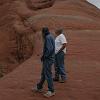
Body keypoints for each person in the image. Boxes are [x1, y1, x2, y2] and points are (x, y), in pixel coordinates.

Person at [33, 27, 55, 97]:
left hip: (48, 59)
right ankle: (39, 87)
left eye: (42, 33)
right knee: (44, 73)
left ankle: (51, 91)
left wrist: (44, 56)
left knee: (48, 74)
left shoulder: (47, 38)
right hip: (49, 58)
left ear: (43, 33)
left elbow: (49, 49)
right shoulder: (51, 36)